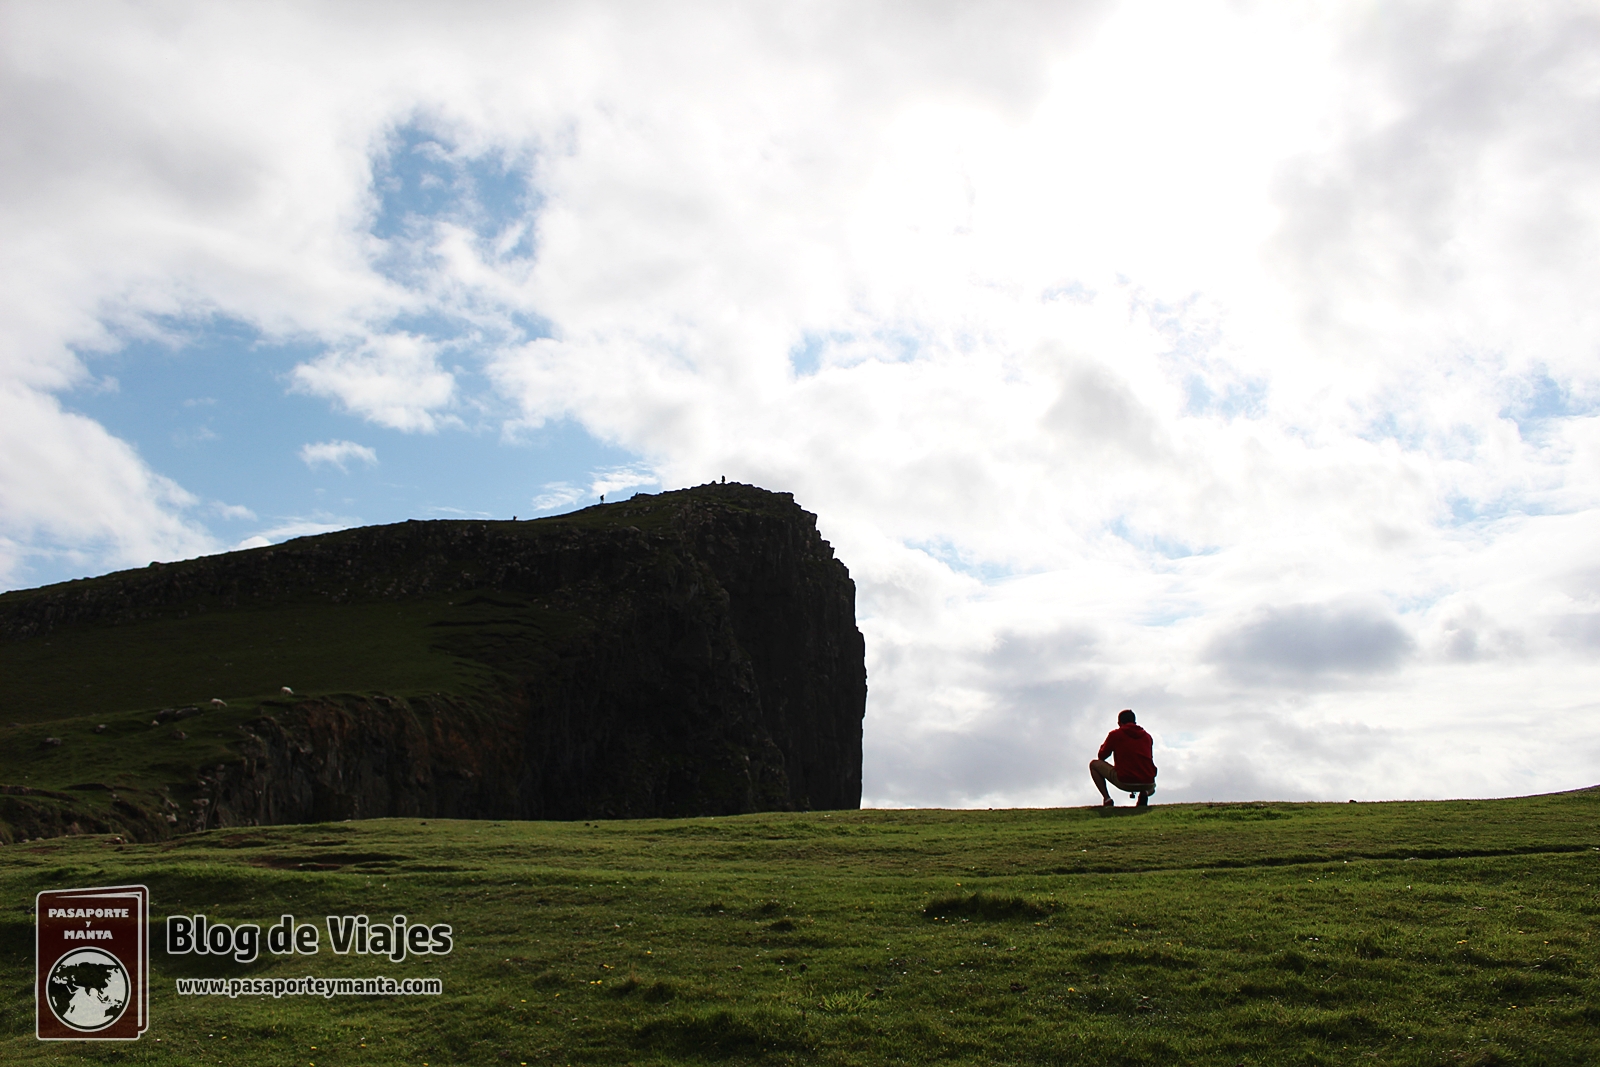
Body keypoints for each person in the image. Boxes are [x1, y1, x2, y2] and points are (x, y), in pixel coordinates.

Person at [1090, 709, 1157, 808]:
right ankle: (1145, 793)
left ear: (1119, 723)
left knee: (1093, 764)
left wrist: (1105, 745)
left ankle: (1107, 799)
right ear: (1135, 722)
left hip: (1125, 780)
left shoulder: (1115, 735)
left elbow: (1101, 756)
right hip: (1148, 782)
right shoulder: (1147, 736)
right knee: (1149, 779)